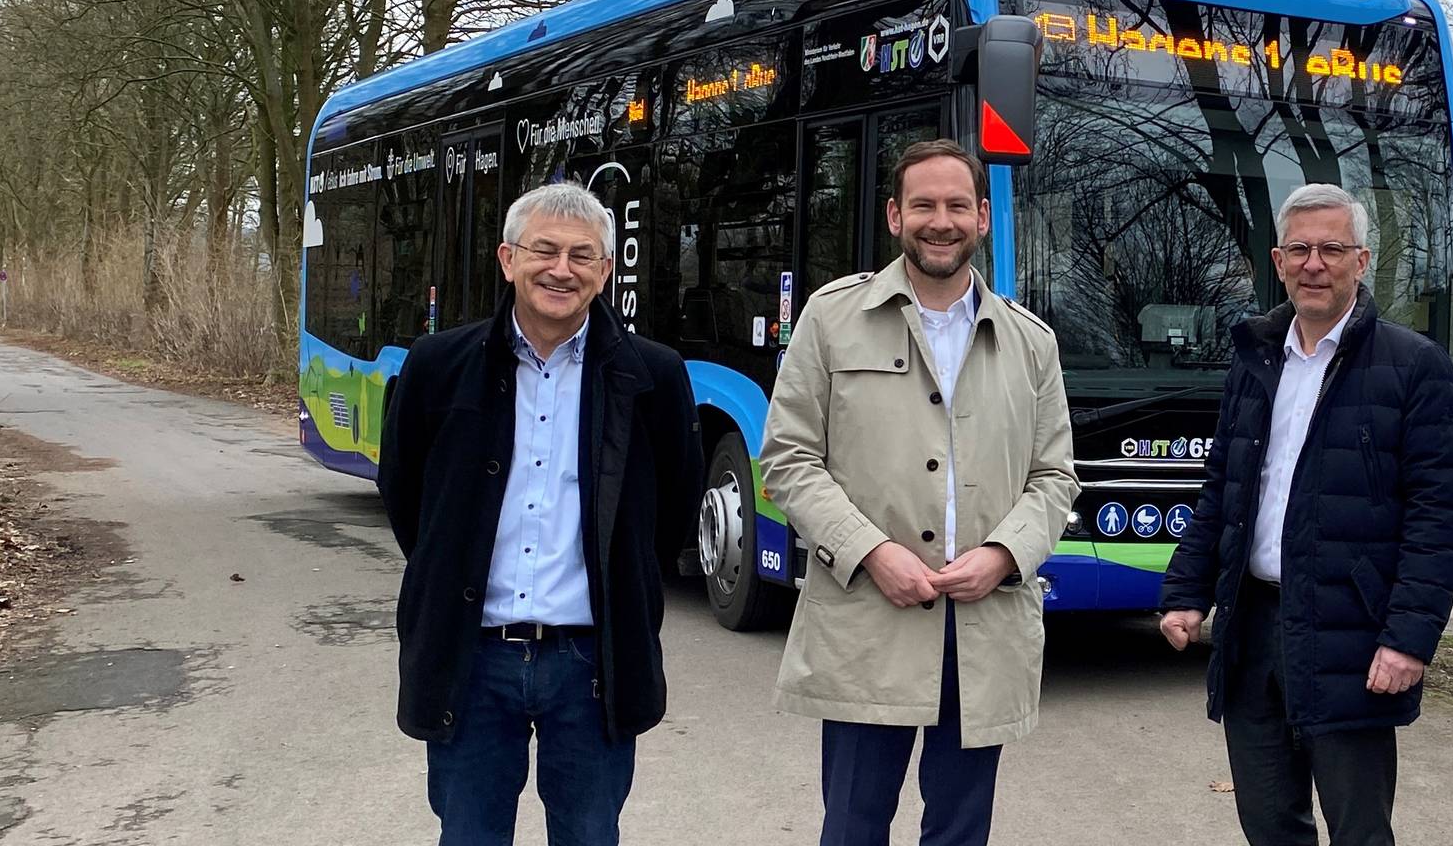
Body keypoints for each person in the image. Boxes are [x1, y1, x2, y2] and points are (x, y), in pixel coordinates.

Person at [760, 139, 1076, 846]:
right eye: (924, 205)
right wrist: (871, 551)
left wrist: (1002, 554)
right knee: (853, 825)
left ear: (983, 217)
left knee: (960, 831)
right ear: (896, 216)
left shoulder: (1032, 342)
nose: (942, 220)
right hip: (867, 621)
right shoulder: (832, 318)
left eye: (957, 205)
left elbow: (1055, 476)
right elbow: (787, 458)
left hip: (984, 628)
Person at [377, 182, 703, 846]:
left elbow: (673, 505)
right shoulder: (439, 365)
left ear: (606, 271)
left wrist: (625, 585)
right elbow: (408, 495)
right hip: (471, 658)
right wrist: (453, 571)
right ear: (507, 258)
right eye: (544, 250)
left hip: (590, 661)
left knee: (589, 834)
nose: (562, 269)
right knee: (467, 835)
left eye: (583, 255)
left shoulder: (652, 375)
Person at [1156, 183, 1453, 846]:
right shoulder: (1254, 360)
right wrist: (1185, 591)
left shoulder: (1415, 367)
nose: (1314, 263)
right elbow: (1223, 490)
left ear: (1362, 261)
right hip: (1254, 627)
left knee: (1358, 829)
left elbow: (1436, 521)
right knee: (1269, 823)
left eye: (1332, 249)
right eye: (1299, 249)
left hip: (1350, 630)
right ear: (1277, 260)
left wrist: (1409, 638)